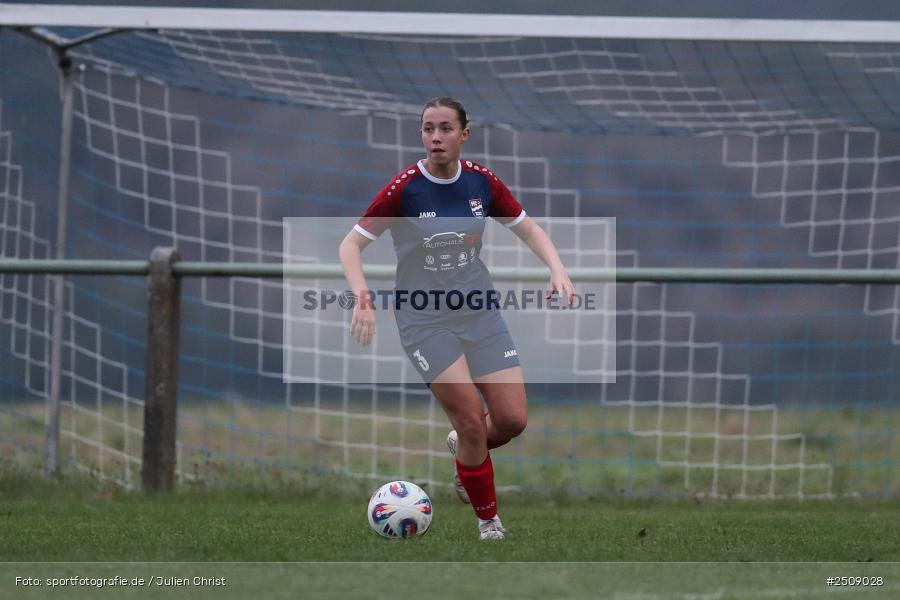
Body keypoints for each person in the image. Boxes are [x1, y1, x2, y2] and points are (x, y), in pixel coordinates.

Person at [339, 97, 574, 540]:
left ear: (465, 134)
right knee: (470, 418)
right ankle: (490, 523)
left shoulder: (481, 183)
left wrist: (557, 268)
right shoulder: (405, 189)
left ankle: (465, 452)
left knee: (512, 420)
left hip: (479, 313)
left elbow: (528, 228)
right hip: (425, 321)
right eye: (428, 129)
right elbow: (350, 246)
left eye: (445, 128)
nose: (435, 137)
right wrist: (363, 298)